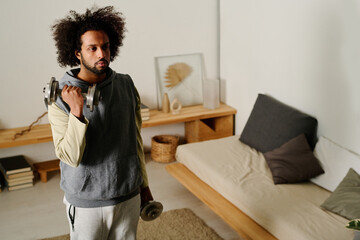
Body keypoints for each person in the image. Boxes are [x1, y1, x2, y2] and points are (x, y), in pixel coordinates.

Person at [48, 6, 154, 240]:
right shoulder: (59, 98)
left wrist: (143, 185)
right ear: (77, 53)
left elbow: (134, 140)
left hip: (128, 195)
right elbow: (70, 156)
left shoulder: (126, 84)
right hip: (87, 203)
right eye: (92, 48)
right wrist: (76, 112)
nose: (101, 54)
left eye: (105, 47)